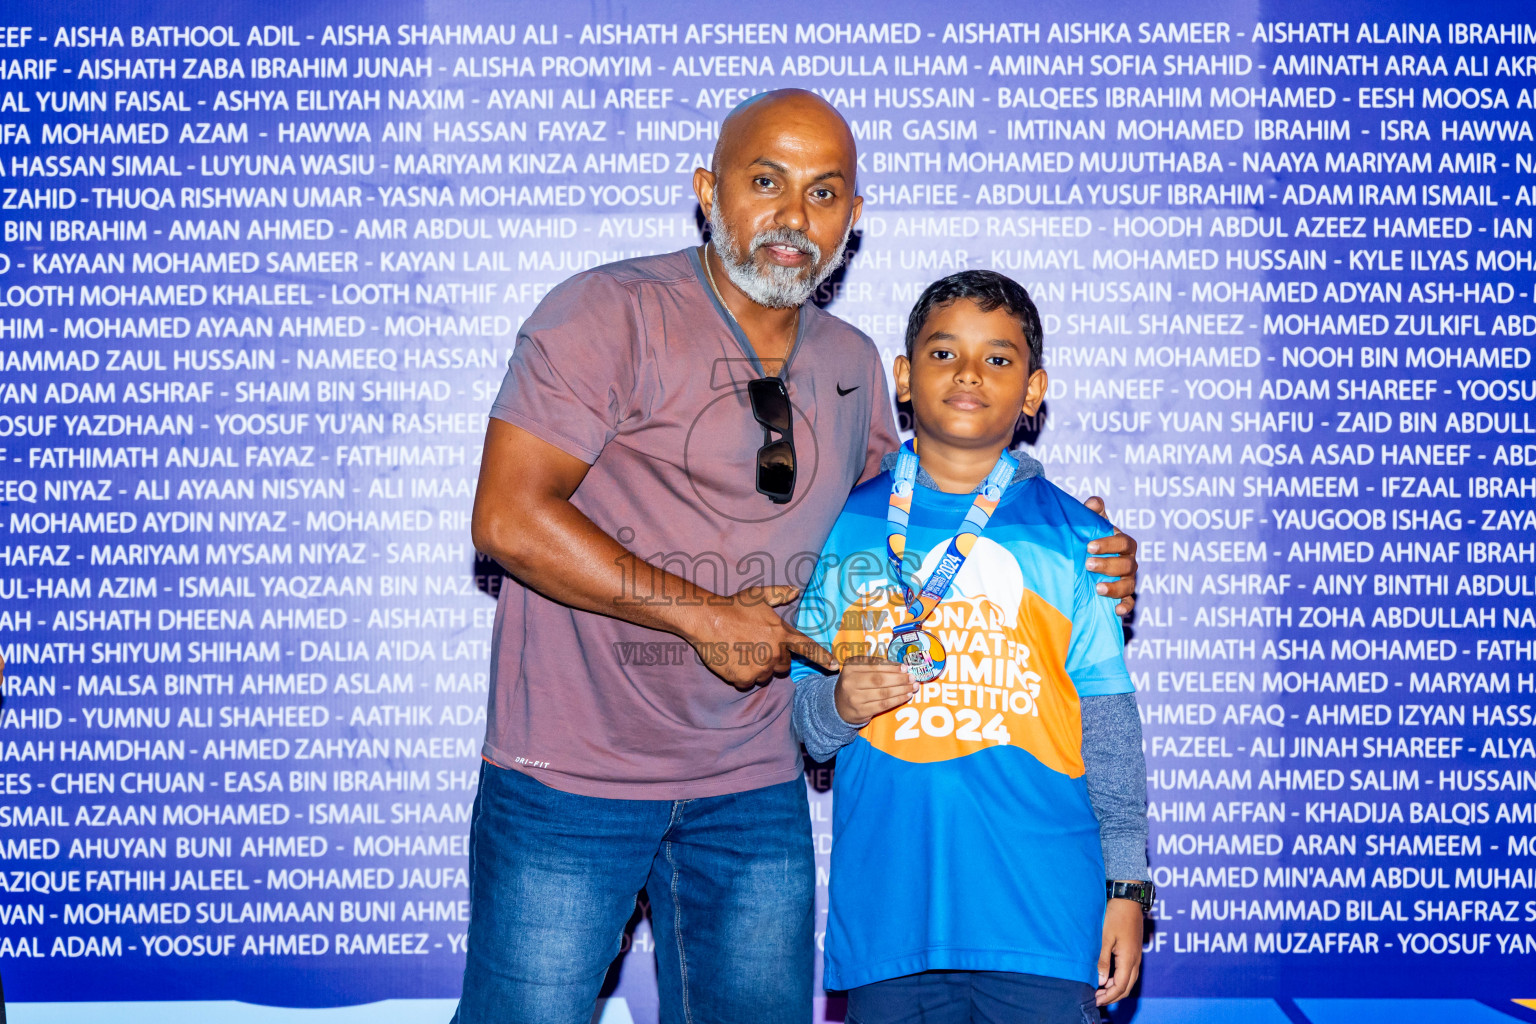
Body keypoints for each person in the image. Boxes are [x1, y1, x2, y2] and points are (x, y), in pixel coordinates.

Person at [460, 91, 1141, 1024]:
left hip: (752, 786)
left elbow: (928, 503)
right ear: (709, 192)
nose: (792, 219)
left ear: (852, 221)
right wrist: (701, 615)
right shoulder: (606, 312)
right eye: (766, 183)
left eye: (823, 194)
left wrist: (1073, 533)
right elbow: (505, 517)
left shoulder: (856, 363)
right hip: (572, 780)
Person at [792, 270, 1151, 1024]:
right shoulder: (843, 529)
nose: (968, 374)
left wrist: (1127, 887)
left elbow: (1109, 724)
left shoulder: (1077, 540)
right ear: (903, 377)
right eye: (945, 352)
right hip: (892, 918)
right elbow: (804, 724)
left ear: (1033, 390)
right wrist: (839, 702)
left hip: (1044, 918)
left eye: (998, 359)